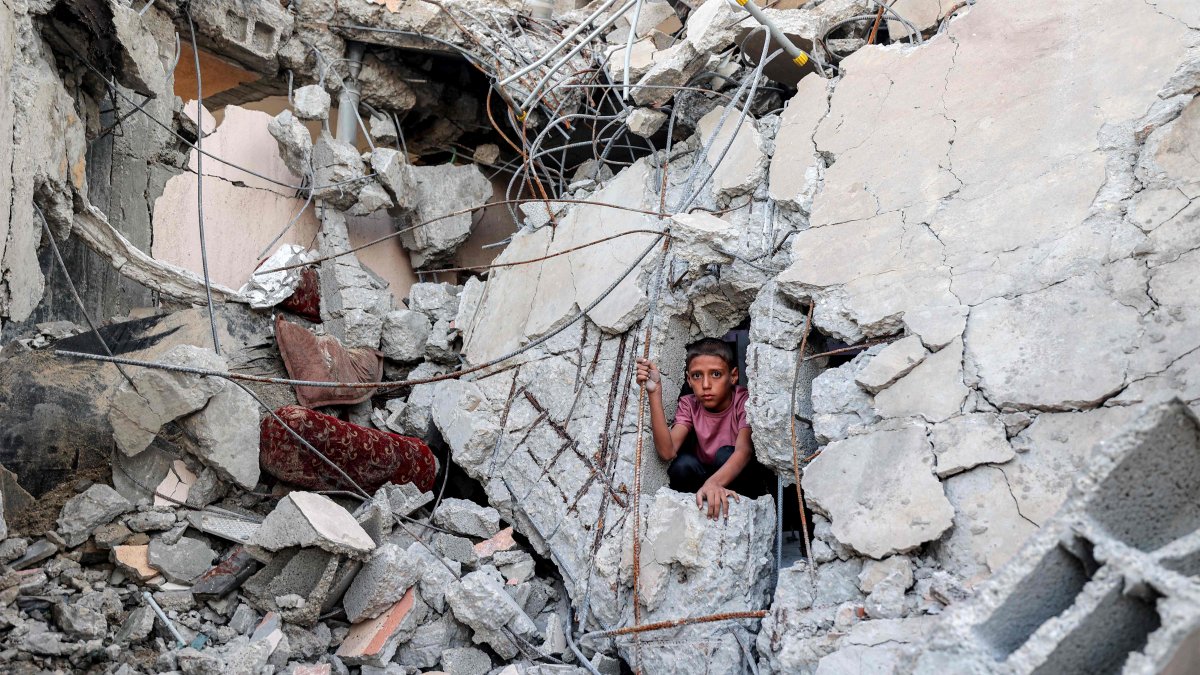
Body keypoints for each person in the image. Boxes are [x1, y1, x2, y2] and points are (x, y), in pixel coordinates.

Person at [635, 337, 767, 520]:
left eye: (716, 374)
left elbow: (744, 450)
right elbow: (667, 452)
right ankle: (694, 512)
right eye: (697, 376)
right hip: (706, 478)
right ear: (689, 379)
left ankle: (731, 507)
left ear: (733, 376)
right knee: (682, 465)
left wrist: (713, 483)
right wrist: (655, 393)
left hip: (739, 478)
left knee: (725, 454)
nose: (706, 385)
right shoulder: (689, 404)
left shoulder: (743, 401)